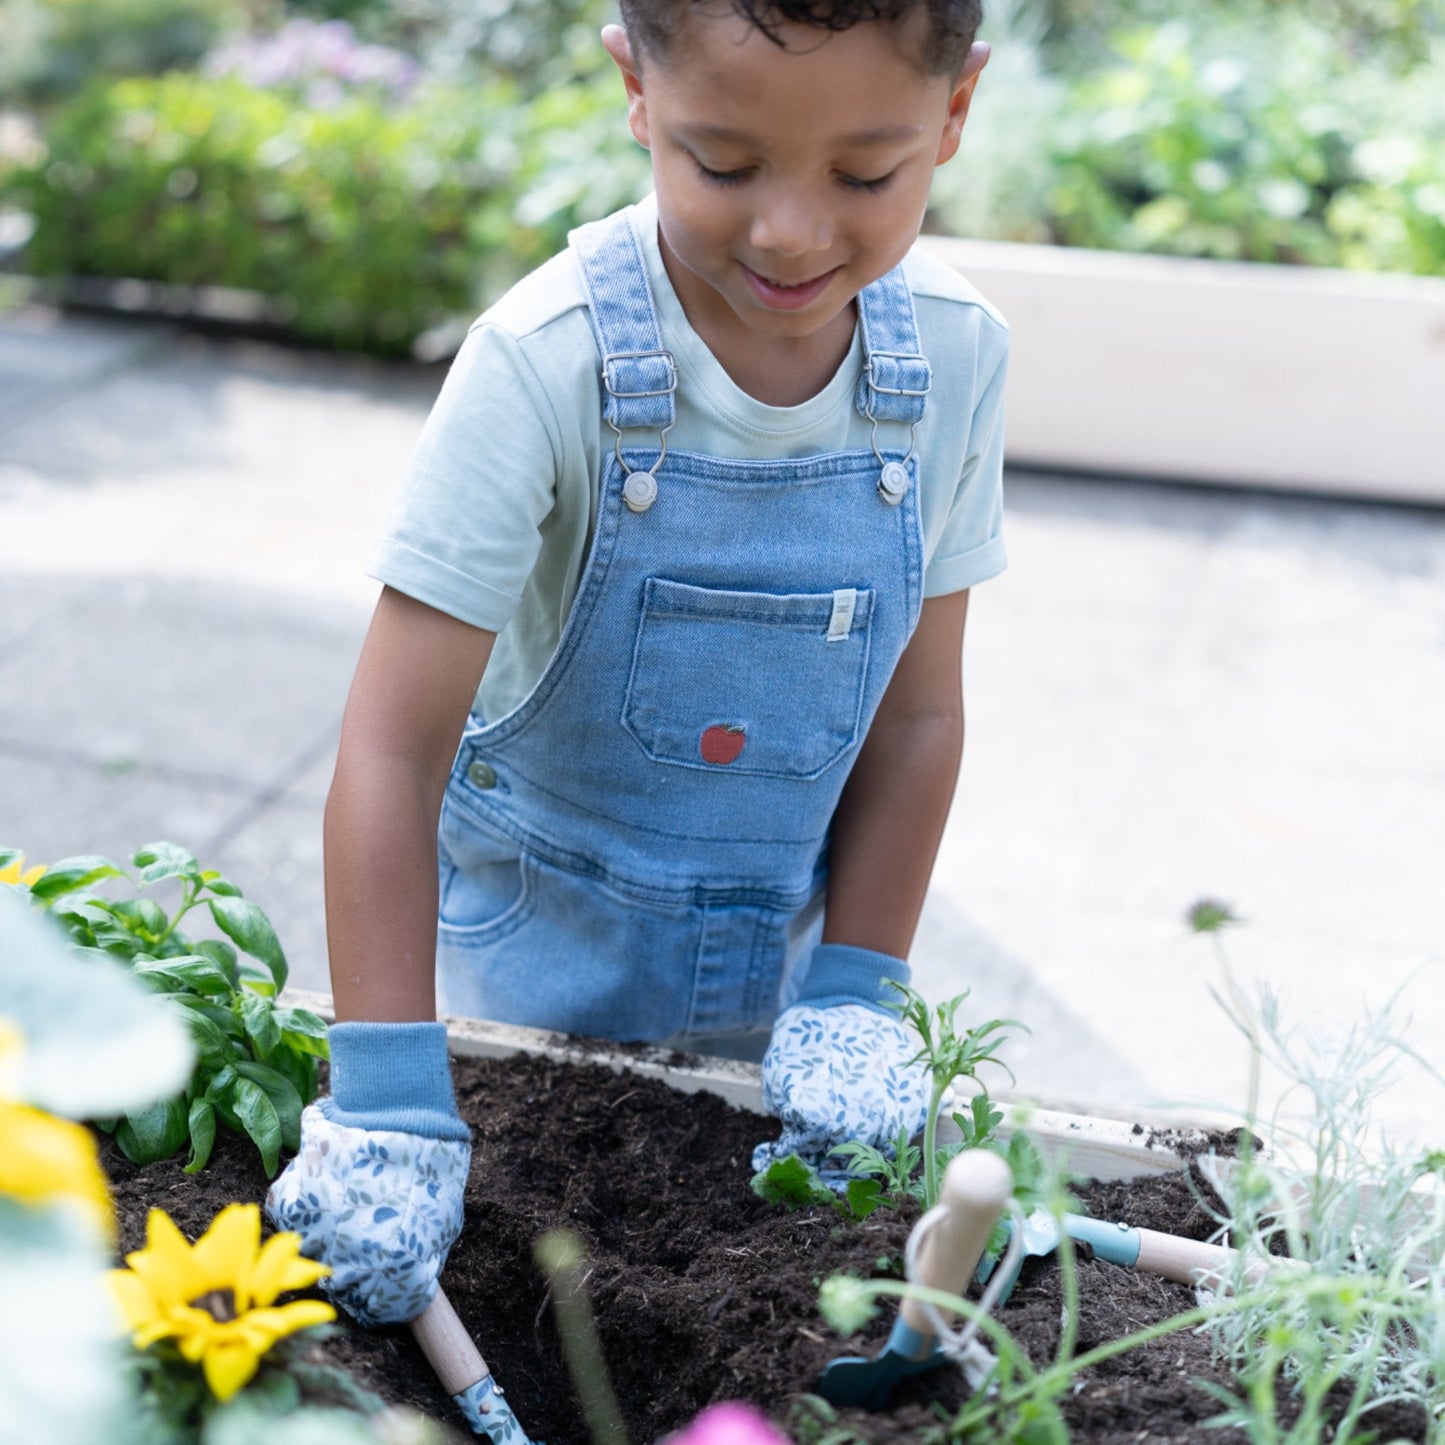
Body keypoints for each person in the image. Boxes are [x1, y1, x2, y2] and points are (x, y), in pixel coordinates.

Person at [268, 0, 1007, 1349]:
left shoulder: (951, 359)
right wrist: (386, 1090)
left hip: (776, 1038)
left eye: (863, 173)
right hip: (510, 1033)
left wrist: (856, 989)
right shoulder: (546, 365)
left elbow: (919, 714)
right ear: (635, 91)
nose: (788, 229)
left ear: (953, 112)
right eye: (722, 164)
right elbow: (388, 751)